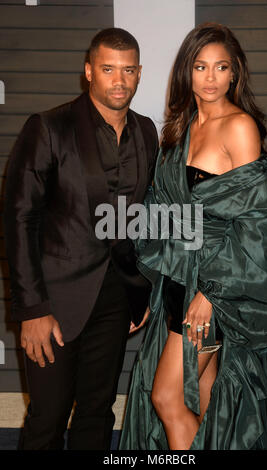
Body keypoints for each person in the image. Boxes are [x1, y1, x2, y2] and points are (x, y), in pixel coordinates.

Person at [119, 22, 267, 450]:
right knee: (205, 399)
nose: (211, 78)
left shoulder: (240, 127)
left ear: (235, 73)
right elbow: (164, 207)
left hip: (216, 287)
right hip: (181, 280)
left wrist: (210, 294)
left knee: (165, 397)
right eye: (201, 67)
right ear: (187, 72)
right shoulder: (183, 126)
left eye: (221, 67)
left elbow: (258, 224)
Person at [3, 27, 158, 450]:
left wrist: (137, 291)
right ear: (89, 71)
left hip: (114, 300)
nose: (119, 80)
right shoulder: (49, 127)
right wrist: (32, 309)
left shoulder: (147, 132)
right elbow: (20, 219)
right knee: (47, 419)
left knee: (97, 413)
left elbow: (140, 220)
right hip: (53, 303)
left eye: (128, 70)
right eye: (108, 69)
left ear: (140, 73)